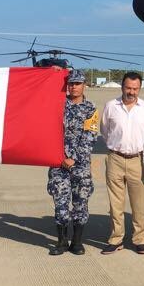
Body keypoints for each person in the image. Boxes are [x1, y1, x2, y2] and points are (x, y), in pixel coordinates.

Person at [100, 71, 144, 254]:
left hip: (137, 161)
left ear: (140, 88)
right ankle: (116, 239)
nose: (131, 92)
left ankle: (140, 239)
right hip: (115, 158)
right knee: (115, 203)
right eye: (128, 88)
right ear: (122, 86)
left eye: (135, 89)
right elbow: (105, 130)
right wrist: (116, 147)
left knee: (139, 203)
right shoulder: (111, 106)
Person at [47, 69, 98, 256]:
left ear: (84, 85)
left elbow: (90, 136)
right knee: (60, 203)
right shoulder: (58, 104)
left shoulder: (91, 108)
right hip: (58, 164)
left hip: (80, 165)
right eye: (71, 83)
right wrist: (50, 71)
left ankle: (77, 242)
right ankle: (62, 242)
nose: (74, 87)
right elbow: (49, 130)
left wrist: (73, 157)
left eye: (77, 83)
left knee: (80, 203)